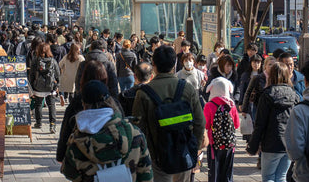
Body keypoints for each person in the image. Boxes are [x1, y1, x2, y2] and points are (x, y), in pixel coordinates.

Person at [132, 45, 205, 182]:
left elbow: (138, 129)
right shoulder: (187, 88)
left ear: (153, 65)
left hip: (157, 156)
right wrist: (194, 148)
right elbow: (200, 122)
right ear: (174, 64)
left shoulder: (143, 93)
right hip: (184, 152)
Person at [61, 80, 153, 182]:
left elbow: (69, 173)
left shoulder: (77, 140)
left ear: (83, 104)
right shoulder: (134, 132)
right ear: (110, 101)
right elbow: (146, 173)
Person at [246, 62, 299, 182]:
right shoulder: (294, 96)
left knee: (268, 177)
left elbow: (260, 123)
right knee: (281, 177)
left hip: (271, 143)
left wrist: (252, 146)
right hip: (289, 143)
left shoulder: (267, 95)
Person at [204, 77, 240, 182]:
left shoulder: (209, 105)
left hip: (214, 143)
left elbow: (206, 125)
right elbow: (236, 125)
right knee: (228, 171)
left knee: (215, 170)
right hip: (229, 144)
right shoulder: (232, 105)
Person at [29, 42, 60, 133]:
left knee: (38, 104)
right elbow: (57, 74)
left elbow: (31, 75)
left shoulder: (35, 60)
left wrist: (32, 88)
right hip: (50, 87)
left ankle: (38, 122)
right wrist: (57, 85)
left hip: (38, 86)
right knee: (51, 105)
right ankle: (52, 125)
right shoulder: (52, 61)